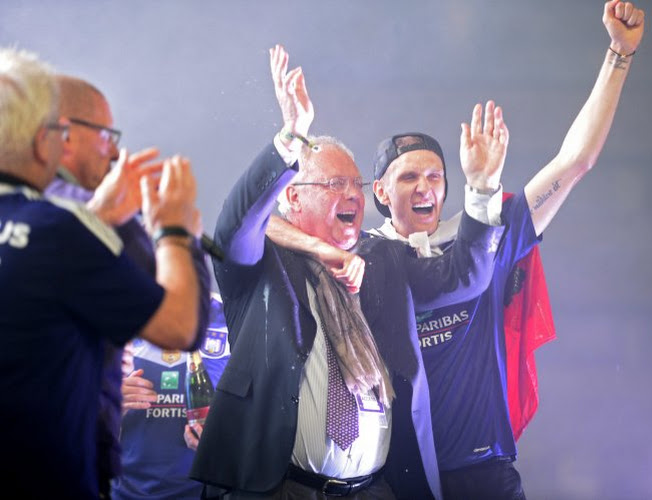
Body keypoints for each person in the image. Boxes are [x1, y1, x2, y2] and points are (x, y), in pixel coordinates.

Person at [267, 2, 645, 498]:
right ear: (379, 192)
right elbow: (266, 227)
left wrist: (618, 55)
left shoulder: (485, 231)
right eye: (408, 177)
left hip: (485, 468)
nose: (424, 187)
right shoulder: (358, 254)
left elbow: (575, 162)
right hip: (398, 475)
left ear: (450, 187)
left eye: (435, 177)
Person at [190, 45, 506, 499]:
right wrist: (292, 138)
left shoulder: (383, 261)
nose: (353, 195)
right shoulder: (263, 265)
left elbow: (467, 278)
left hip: (376, 488)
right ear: (294, 198)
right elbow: (234, 225)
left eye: (355, 184)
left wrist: (481, 188)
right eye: (334, 184)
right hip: (282, 489)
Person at [0, 47, 204, 499]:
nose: (114, 148)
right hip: (47, 472)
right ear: (45, 141)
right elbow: (179, 326)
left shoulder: (69, 226)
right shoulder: (59, 231)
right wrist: (174, 229)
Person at [111, 293, 230, 500]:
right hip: (127, 491)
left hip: (204, 491)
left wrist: (222, 443)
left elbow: (257, 413)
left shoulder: (230, 316)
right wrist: (110, 403)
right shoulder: (115, 316)